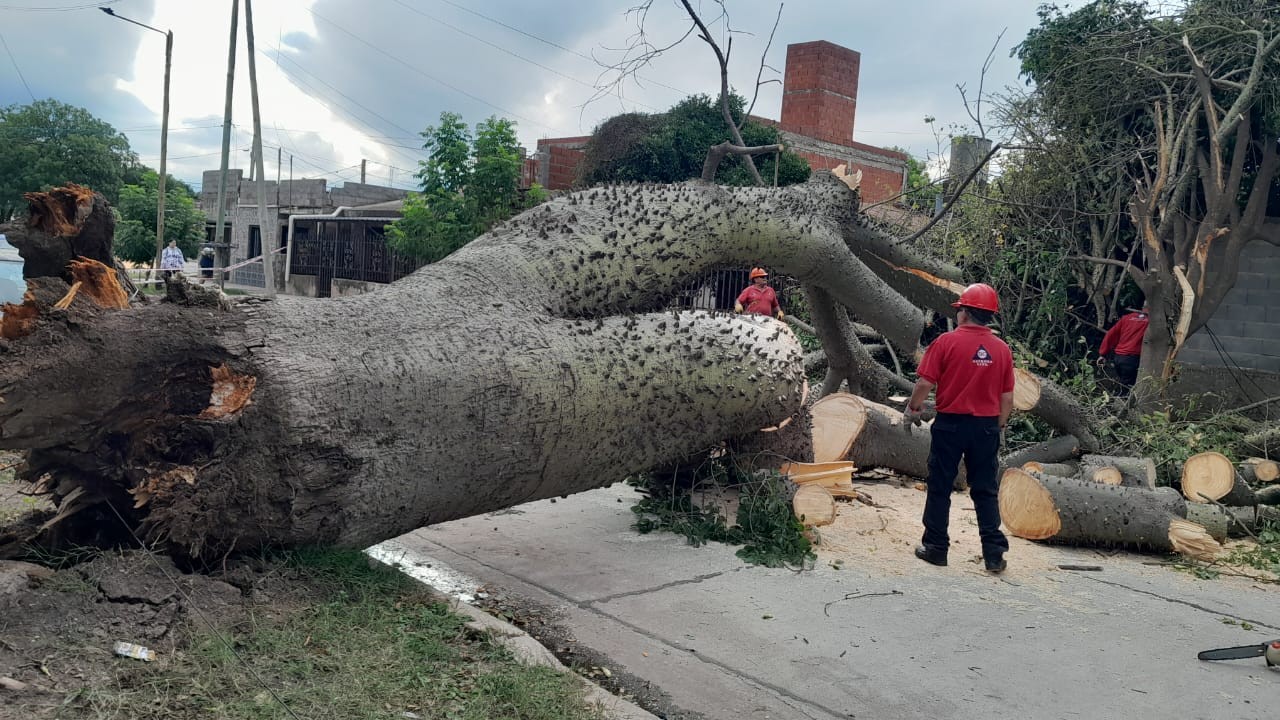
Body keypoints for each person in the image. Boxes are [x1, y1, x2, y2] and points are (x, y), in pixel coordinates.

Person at [905, 282, 1014, 574]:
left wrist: (913, 408)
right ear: (989, 316)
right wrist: (1000, 425)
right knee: (985, 490)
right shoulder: (1002, 350)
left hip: (951, 424)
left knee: (940, 486)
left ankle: (936, 548)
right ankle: (994, 554)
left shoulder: (945, 342)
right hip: (986, 427)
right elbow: (1007, 396)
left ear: (964, 313)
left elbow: (925, 383)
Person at [1097, 305, 1149, 391]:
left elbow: (1110, 334)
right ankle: (1120, 402)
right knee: (1127, 389)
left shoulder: (1127, 318)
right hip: (1132, 359)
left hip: (1118, 357)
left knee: (1125, 384)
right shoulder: (1152, 322)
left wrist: (1103, 354)